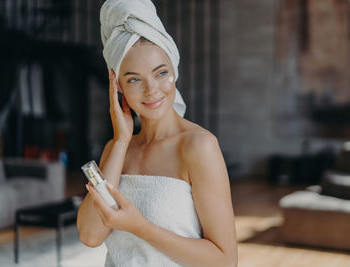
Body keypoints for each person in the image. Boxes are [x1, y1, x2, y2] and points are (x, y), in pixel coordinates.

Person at [76, 0, 237, 266]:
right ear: (118, 87)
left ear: (174, 70)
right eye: (134, 79)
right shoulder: (115, 149)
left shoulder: (198, 146)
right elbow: (91, 235)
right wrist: (120, 141)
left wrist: (141, 227)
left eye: (161, 73)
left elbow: (225, 260)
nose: (152, 90)